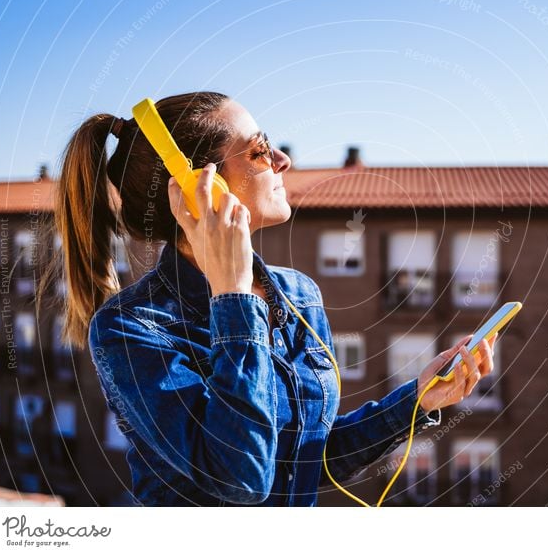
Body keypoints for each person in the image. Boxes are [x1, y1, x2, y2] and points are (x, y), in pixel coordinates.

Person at [42, 91, 496, 506]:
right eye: (259, 151)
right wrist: (233, 298)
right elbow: (239, 478)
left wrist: (418, 401)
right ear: (200, 188)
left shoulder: (299, 294)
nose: (282, 160)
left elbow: (307, 458)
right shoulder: (132, 327)